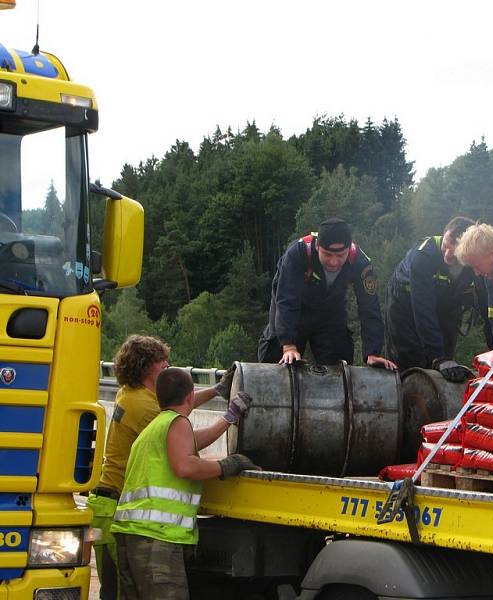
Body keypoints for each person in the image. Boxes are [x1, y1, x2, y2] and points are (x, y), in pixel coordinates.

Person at [87, 335, 235, 600]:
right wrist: (228, 420)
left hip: (108, 507)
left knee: (117, 590)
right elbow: (185, 439)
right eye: (161, 361)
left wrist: (216, 391)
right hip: (115, 507)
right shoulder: (144, 407)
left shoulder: (132, 394)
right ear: (145, 366)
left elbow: (179, 403)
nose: (167, 364)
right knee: (117, 593)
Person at [111, 367, 258, 600]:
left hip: (134, 536)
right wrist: (225, 466)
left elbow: (195, 440)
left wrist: (229, 418)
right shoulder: (177, 423)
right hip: (157, 539)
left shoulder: (158, 426)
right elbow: (185, 465)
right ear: (190, 397)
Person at [257, 217, 396, 369]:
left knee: (339, 365)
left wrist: (372, 351)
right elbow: (286, 300)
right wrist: (289, 346)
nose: (334, 262)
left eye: (341, 255)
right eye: (328, 254)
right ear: (317, 246)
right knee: (278, 356)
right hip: (294, 309)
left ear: (349, 249)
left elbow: (370, 306)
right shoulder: (297, 253)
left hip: (330, 312)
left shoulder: (360, 262)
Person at [385, 216, 492, 381]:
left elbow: (488, 307)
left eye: (455, 251)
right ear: (444, 235)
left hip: (446, 305)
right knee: (411, 361)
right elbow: (423, 310)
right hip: (404, 305)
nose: (448, 255)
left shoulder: (473, 262)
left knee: (446, 363)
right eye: (445, 246)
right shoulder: (422, 256)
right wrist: (438, 357)